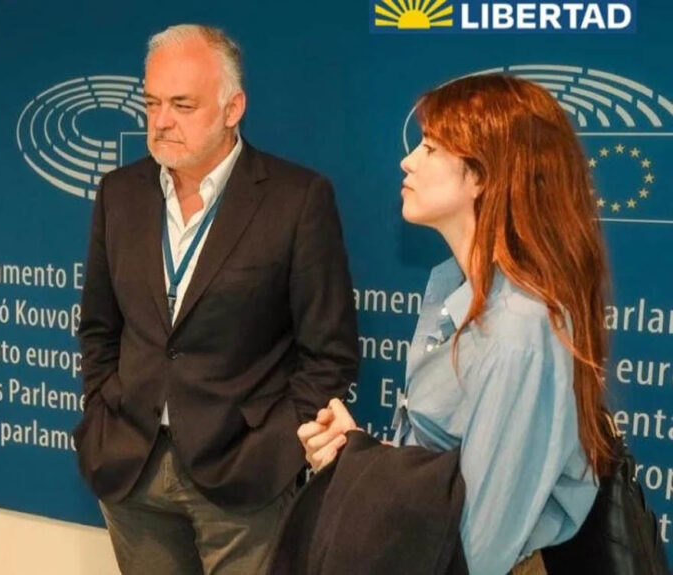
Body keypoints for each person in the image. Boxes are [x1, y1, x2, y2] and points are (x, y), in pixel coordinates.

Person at [297, 74, 613, 575]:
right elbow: (443, 478)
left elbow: (480, 545)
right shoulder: (452, 287)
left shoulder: (518, 329)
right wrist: (354, 456)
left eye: (429, 147)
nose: (407, 161)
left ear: (484, 175)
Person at [75, 24, 359, 574]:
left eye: (182, 104)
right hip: (130, 464)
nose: (160, 121)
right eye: (152, 102)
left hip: (245, 474)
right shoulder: (119, 193)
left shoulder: (296, 198)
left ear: (233, 107)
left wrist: (277, 447)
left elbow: (329, 350)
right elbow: (99, 326)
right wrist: (104, 406)